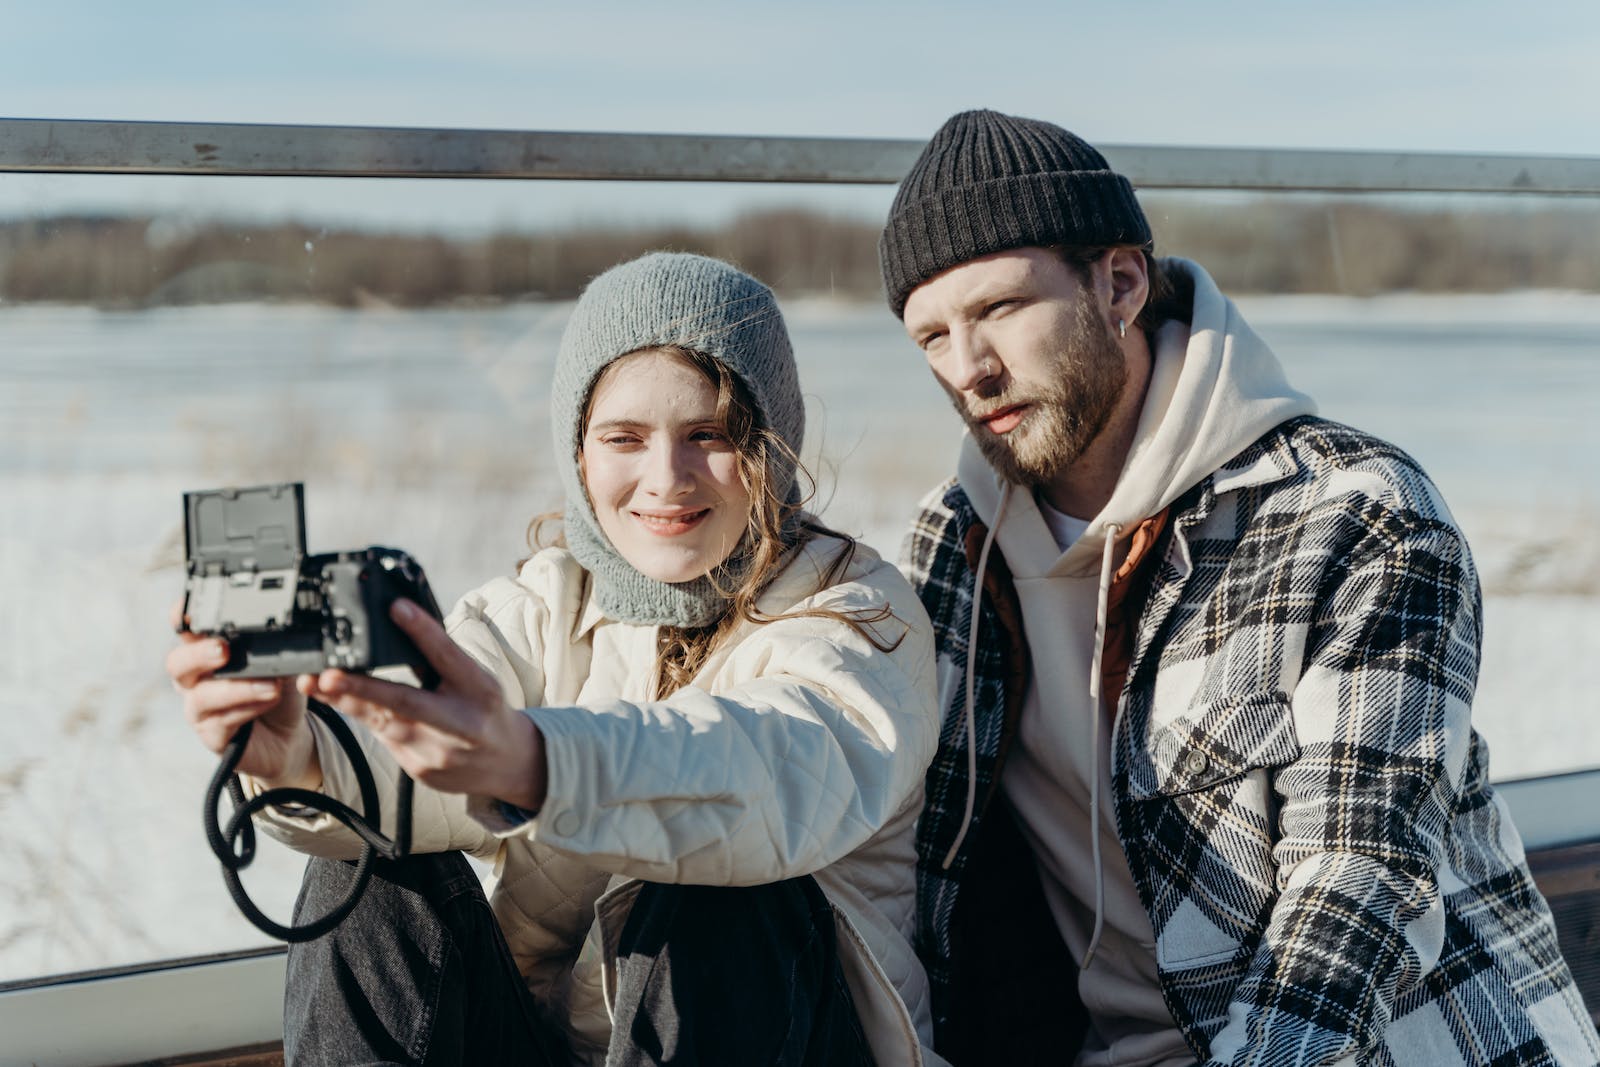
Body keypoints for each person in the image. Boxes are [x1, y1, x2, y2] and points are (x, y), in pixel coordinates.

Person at [879, 110, 1600, 1067]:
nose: (968, 368)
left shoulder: (1355, 512)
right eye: (932, 334)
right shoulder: (954, 547)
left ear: (1120, 282)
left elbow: (1357, 885)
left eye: (1000, 309)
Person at [167, 252, 945, 1066]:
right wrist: (299, 756)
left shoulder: (858, 612)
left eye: (708, 435)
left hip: (793, 1035)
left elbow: (770, 775)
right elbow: (411, 761)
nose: (665, 478)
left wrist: (537, 761)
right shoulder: (543, 606)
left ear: (772, 448)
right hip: (547, 1043)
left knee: (713, 892)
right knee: (364, 867)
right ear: (581, 456)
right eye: (624, 438)